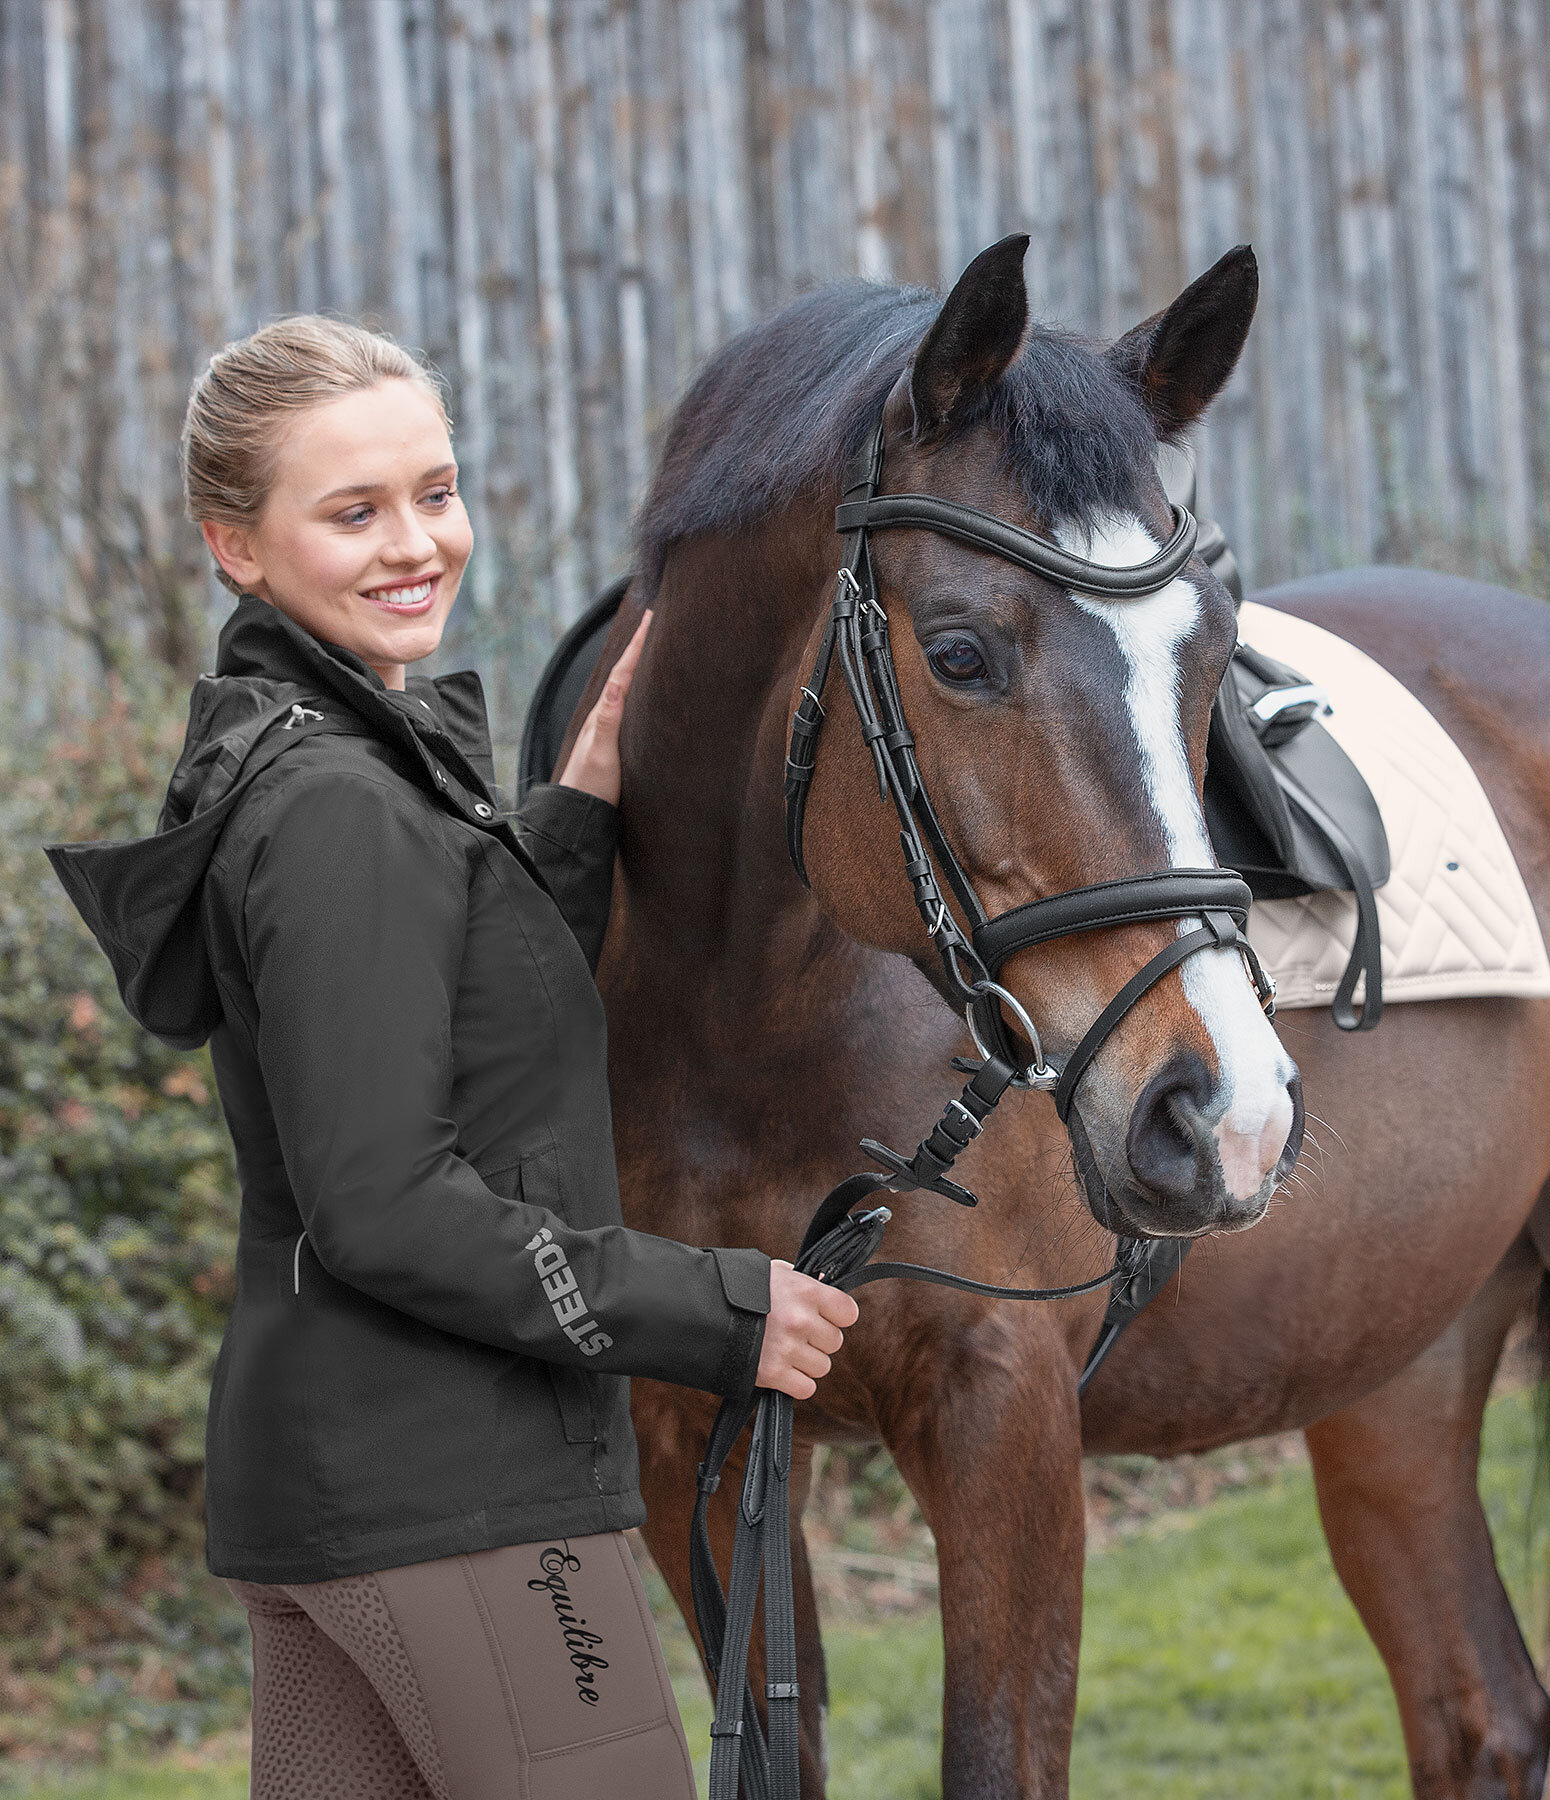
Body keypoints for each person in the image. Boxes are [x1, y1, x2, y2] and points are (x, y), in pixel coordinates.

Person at [43, 315, 859, 1800]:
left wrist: (565, 820)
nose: (415, 542)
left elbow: (423, 1012)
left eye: (435, 489)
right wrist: (719, 1305)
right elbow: (387, 1203)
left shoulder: (317, 763)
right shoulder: (341, 808)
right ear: (238, 547)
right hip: (461, 1500)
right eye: (352, 511)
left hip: (340, 1487)